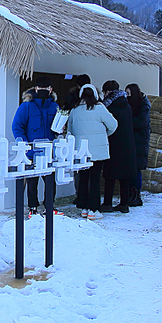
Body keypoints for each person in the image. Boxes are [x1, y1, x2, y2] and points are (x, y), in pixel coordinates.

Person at [66, 83, 117, 220]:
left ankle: (83, 207)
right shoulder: (100, 109)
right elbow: (113, 125)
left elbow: (70, 130)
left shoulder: (75, 110)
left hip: (81, 152)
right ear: (95, 94)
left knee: (83, 179)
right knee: (94, 180)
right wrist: (104, 134)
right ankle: (93, 209)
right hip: (97, 151)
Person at [11, 75, 59, 217]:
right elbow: (17, 126)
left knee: (50, 181)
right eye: (41, 88)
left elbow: (57, 128)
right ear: (36, 88)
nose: (43, 90)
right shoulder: (26, 106)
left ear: (51, 89)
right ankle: (33, 207)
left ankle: (49, 206)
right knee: (32, 181)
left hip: (49, 151)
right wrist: (25, 145)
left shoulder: (55, 106)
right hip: (31, 152)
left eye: (46, 88)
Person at [100, 80, 137, 213]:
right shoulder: (127, 106)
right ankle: (124, 203)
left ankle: (107, 203)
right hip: (127, 144)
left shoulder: (109, 107)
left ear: (108, 92)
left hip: (113, 143)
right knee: (124, 177)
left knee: (109, 175)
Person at [125, 83, 151, 207]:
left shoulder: (143, 106)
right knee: (131, 168)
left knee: (136, 169)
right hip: (132, 139)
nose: (128, 97)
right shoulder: (131, 105)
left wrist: (128, 122)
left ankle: (136, 194)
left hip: (139, 140)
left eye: (129, 94)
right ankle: (131, 194)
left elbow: (142, 122)